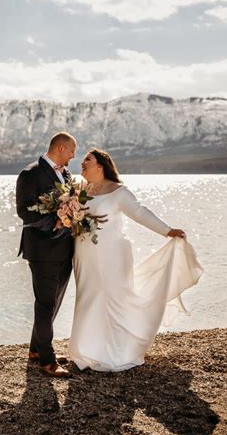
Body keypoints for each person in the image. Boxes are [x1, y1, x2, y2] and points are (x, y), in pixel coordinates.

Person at [68, 148, 203, 372]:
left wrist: (167, 231)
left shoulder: (119, 192)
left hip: (112, 254)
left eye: (87, 161)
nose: (82, 163)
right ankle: (85, 350)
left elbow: (140, 213)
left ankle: (117, 351)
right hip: (84, 253)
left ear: (100, 166)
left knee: (113, 298)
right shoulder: (80, 190)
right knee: (88, 296)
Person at [16, 132, 77, 378]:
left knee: (55, 301)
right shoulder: (30, 173)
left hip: (65, 249)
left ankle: (36, 350)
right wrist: (56, 221)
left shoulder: (67, 174)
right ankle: (48, 361)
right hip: (42, 250)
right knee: (45, 304)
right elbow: (25, 211)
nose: (74, 156)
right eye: (72, 151)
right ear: (61, 148)